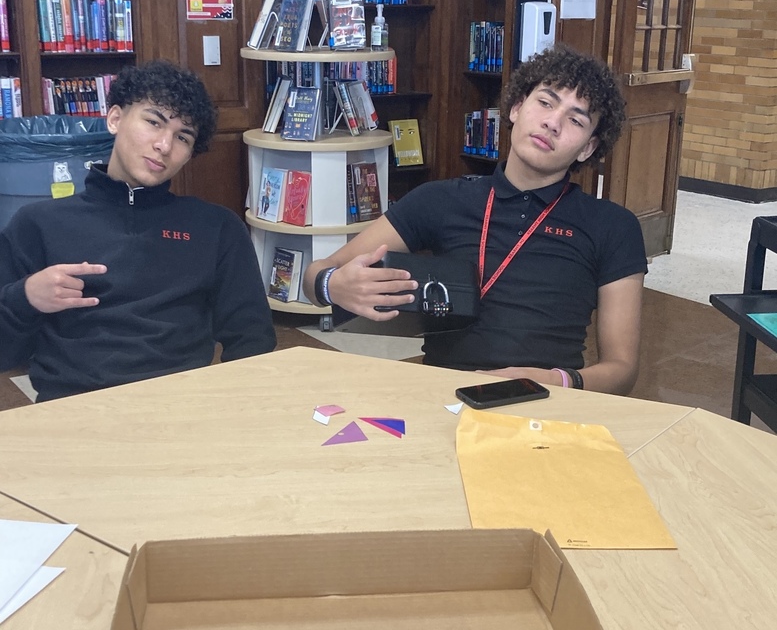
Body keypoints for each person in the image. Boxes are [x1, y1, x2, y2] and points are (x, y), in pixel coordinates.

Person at [303, 46, 647, 395]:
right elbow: (315, 274)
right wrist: (332, 285)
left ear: (588, 147)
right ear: (516, 108)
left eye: (575, 120)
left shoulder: (613, 227)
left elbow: (622, 370)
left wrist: (559, 381)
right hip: (445, 398)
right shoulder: (441, 200)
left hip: (547, 402)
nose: (552, 123)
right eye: (545, 102)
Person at [0, 59, 276, 402]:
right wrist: (25, 297)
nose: (164, 145)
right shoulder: (38, 223)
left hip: (181, 406)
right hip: (74, 407)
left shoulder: (216, 227)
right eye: (153, 122)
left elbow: (252, 341)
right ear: (115, 118)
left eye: (183, 137)